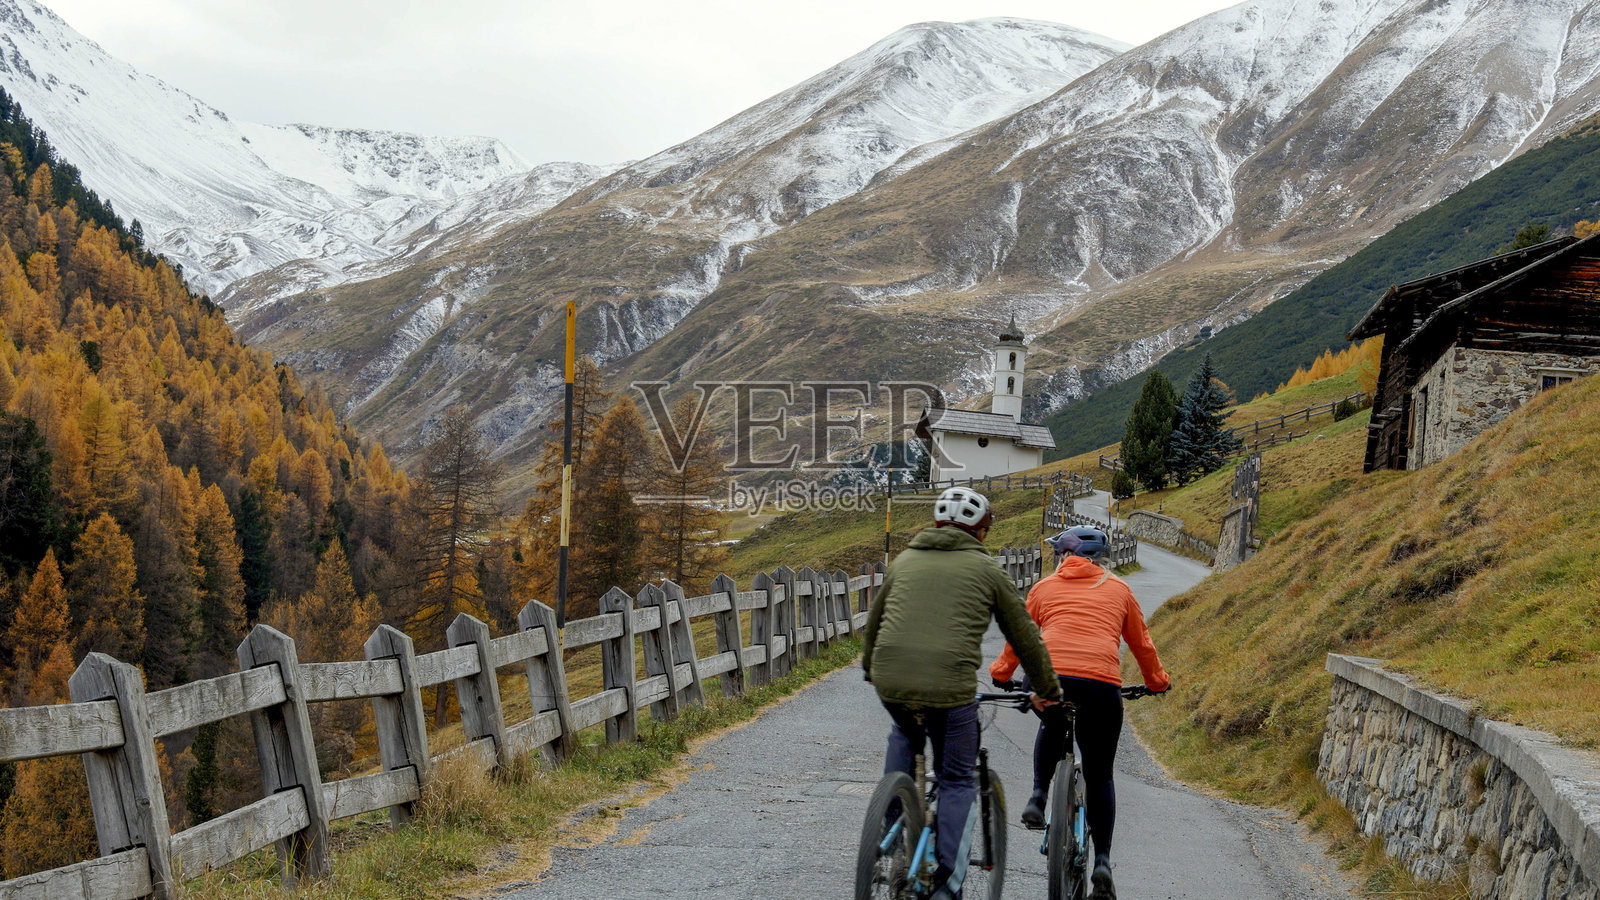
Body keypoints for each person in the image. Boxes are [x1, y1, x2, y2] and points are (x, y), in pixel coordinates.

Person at [861, 486, 1062, 900]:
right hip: (950, 689)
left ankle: (890, 822)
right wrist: (1046, 689)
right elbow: (1024, 636)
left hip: (891, 679)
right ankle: (947, 885)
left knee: (905, 732)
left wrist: (870, 670)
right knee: (955, 778)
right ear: (982, 532)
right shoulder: (988, 571)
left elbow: (875, 622)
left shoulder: (905, 560)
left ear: (935, 525)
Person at [989, 525, 1171, 900]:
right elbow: (1143, 645)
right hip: (1101, 686)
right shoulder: (1119, 589)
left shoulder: (1044, 588)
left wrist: (1001, 674)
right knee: (1100, 773)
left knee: (1053, 722)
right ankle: (1101, 861)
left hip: (1048, 679)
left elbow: (1018, 637)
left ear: (1064, 557)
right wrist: (1157, 682)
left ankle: (1038, 796)